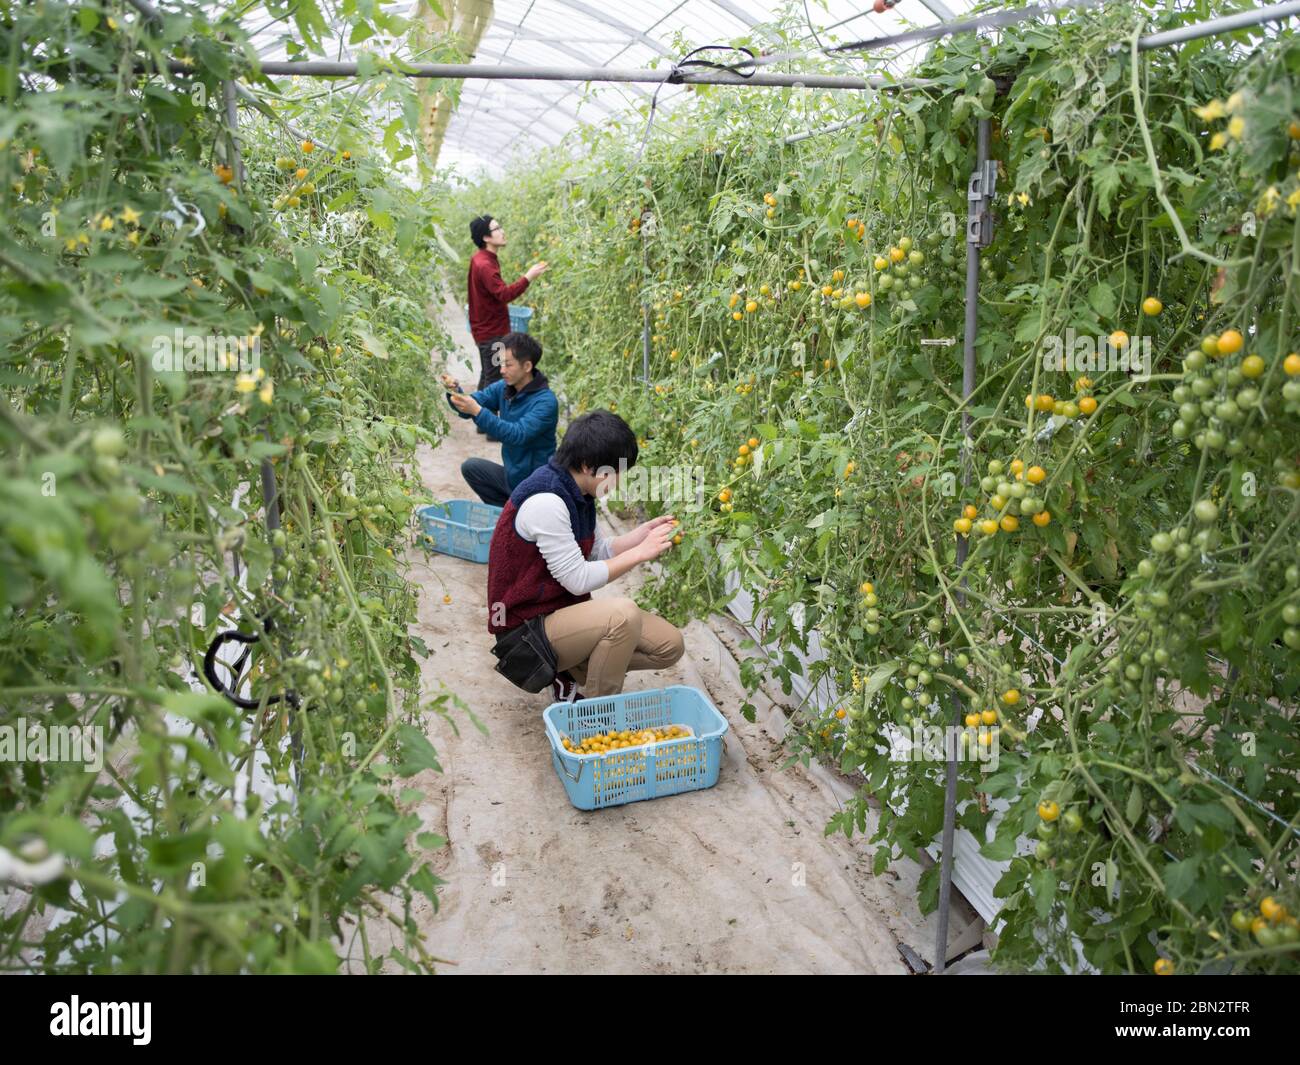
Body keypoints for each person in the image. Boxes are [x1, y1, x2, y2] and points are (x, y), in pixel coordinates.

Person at [486, 410, 685, 703]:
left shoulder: (580, 494)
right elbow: (578, 579)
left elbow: (596, 552)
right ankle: (595, 714)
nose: (617, 481)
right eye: (615, 473)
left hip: (558, 614)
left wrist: (638, 536)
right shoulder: (548, 501)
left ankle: (570, 675)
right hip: (525, 631)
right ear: (587, 466)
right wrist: (640, 555)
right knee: (622, 615)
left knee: (669, 645)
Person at [441, 333, 557, 507]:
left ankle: (518, 515)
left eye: (508, 365)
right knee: (471, 468)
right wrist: (455, 392)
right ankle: (509, 514)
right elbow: (470, 406)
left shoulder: (546, 402)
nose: (502, 370)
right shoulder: (504, 388)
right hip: (513, 479)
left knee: (527, 512)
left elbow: (516, 435)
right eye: (501, 363)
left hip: (537, 487)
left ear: (527, 366)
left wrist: (478, 411)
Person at [467, 215, 547, 415]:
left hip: (486, 328)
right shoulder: (485, 264)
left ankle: (480, 418)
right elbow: (503, 294)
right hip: (491, 331)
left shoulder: (483, 259)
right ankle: (488, 422)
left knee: (489, 373)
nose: (502, 231)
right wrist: (528, 277)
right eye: (497, 228)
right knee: (495, 377)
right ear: (486, 237)